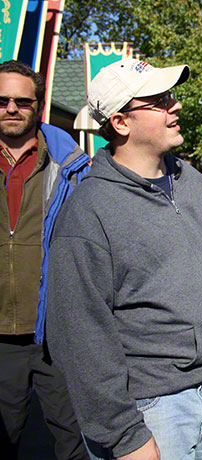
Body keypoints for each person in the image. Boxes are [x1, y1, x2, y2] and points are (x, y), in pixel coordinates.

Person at [46, 59, 202, 460]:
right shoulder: (89, 212)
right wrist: (124, 437)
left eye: (171, 96)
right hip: (147, 410)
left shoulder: (189, 180)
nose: (174, 106)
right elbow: (78, 335)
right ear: (121, 123)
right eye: (158, 101)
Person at [0, 60, 90, 460]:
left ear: (38, 105)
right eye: (2, 100)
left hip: (55, 333)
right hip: (0, 338)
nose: (12, 108)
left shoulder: (72, 167)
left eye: (23, 100)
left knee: (74, 443)